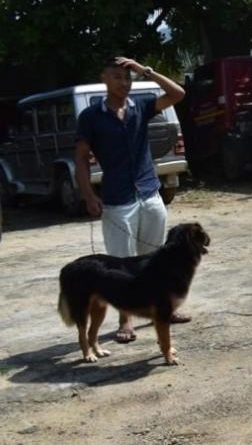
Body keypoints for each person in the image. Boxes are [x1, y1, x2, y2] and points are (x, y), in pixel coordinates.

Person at [75, 56, 189, 344]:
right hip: (117, 199)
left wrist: (145, 70)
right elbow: (81, 159)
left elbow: (178, 94)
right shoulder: (91, 117)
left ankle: (163, 309)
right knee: (121, 265)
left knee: (154, 258)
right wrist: (88, 194)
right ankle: (125, 320)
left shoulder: (141, 106)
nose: (124, 83)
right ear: (104, 79)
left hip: (149, 191)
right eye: (117, 77)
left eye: (127, 78)